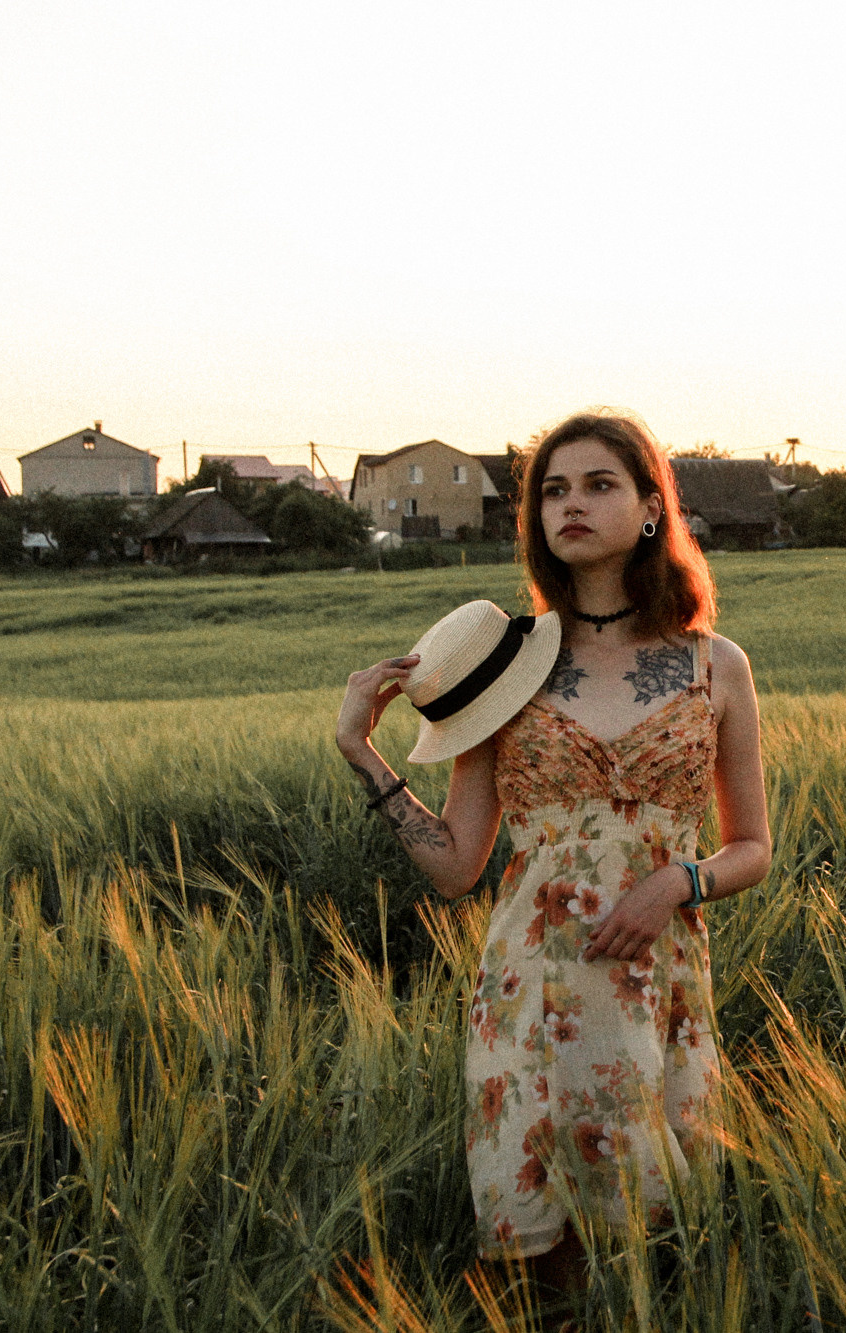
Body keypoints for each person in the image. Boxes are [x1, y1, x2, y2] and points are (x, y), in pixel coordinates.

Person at [335, 411, 772, 1291]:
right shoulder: (505, 669)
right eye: (554, 491)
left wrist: (677, 882)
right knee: (545, 1271)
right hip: (530, 991)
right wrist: (364, 753)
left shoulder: (716, 665)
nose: (572, 504)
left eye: (599, 484)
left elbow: (753, 847)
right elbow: (457, 864)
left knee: (658, 1256)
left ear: (651, 508)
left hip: (656, 982)